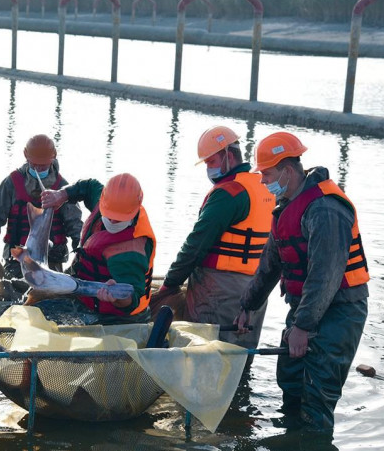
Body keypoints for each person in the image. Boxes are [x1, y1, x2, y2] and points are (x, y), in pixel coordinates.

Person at [235, 131, 369, 432]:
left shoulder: (325, 209)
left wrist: (303, 327)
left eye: (266, 173)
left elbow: (325, 277)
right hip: (306, 308)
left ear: (287, 170)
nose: (262, 180)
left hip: (340, 310)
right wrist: (248, 305)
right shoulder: (286, 206)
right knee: (291, 379)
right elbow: (270, 263)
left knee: (317, 394)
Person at [152, 126, 274, 350]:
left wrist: (170, 283)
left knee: (204, 355)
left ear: (228, 156)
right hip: (256, 289)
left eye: (210, 162)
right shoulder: (265, 186)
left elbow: (196, 245)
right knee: (240, 357)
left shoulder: (228, 193)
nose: (208, 168)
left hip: (220, 291)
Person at [41, 173, 156, 324]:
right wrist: (61, 194)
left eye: (119, 218)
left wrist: (117, 299)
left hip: (120, 318)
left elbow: (132, 299)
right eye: (109, 215)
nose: (113, 221)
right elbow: (89, 186)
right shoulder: (103, 199)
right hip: (83, 289)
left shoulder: (130, 253)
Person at [0, 134, 83, 279]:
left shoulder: (63, 189)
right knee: (13, 295)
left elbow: (75, 223)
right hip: (17, 258)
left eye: (43, 164)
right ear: (26, 157)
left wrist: (81, 249)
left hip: (51, 259)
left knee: (50, 297)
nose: (38, 168)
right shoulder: (12, 183)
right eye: (34, 164)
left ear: (53, 159)